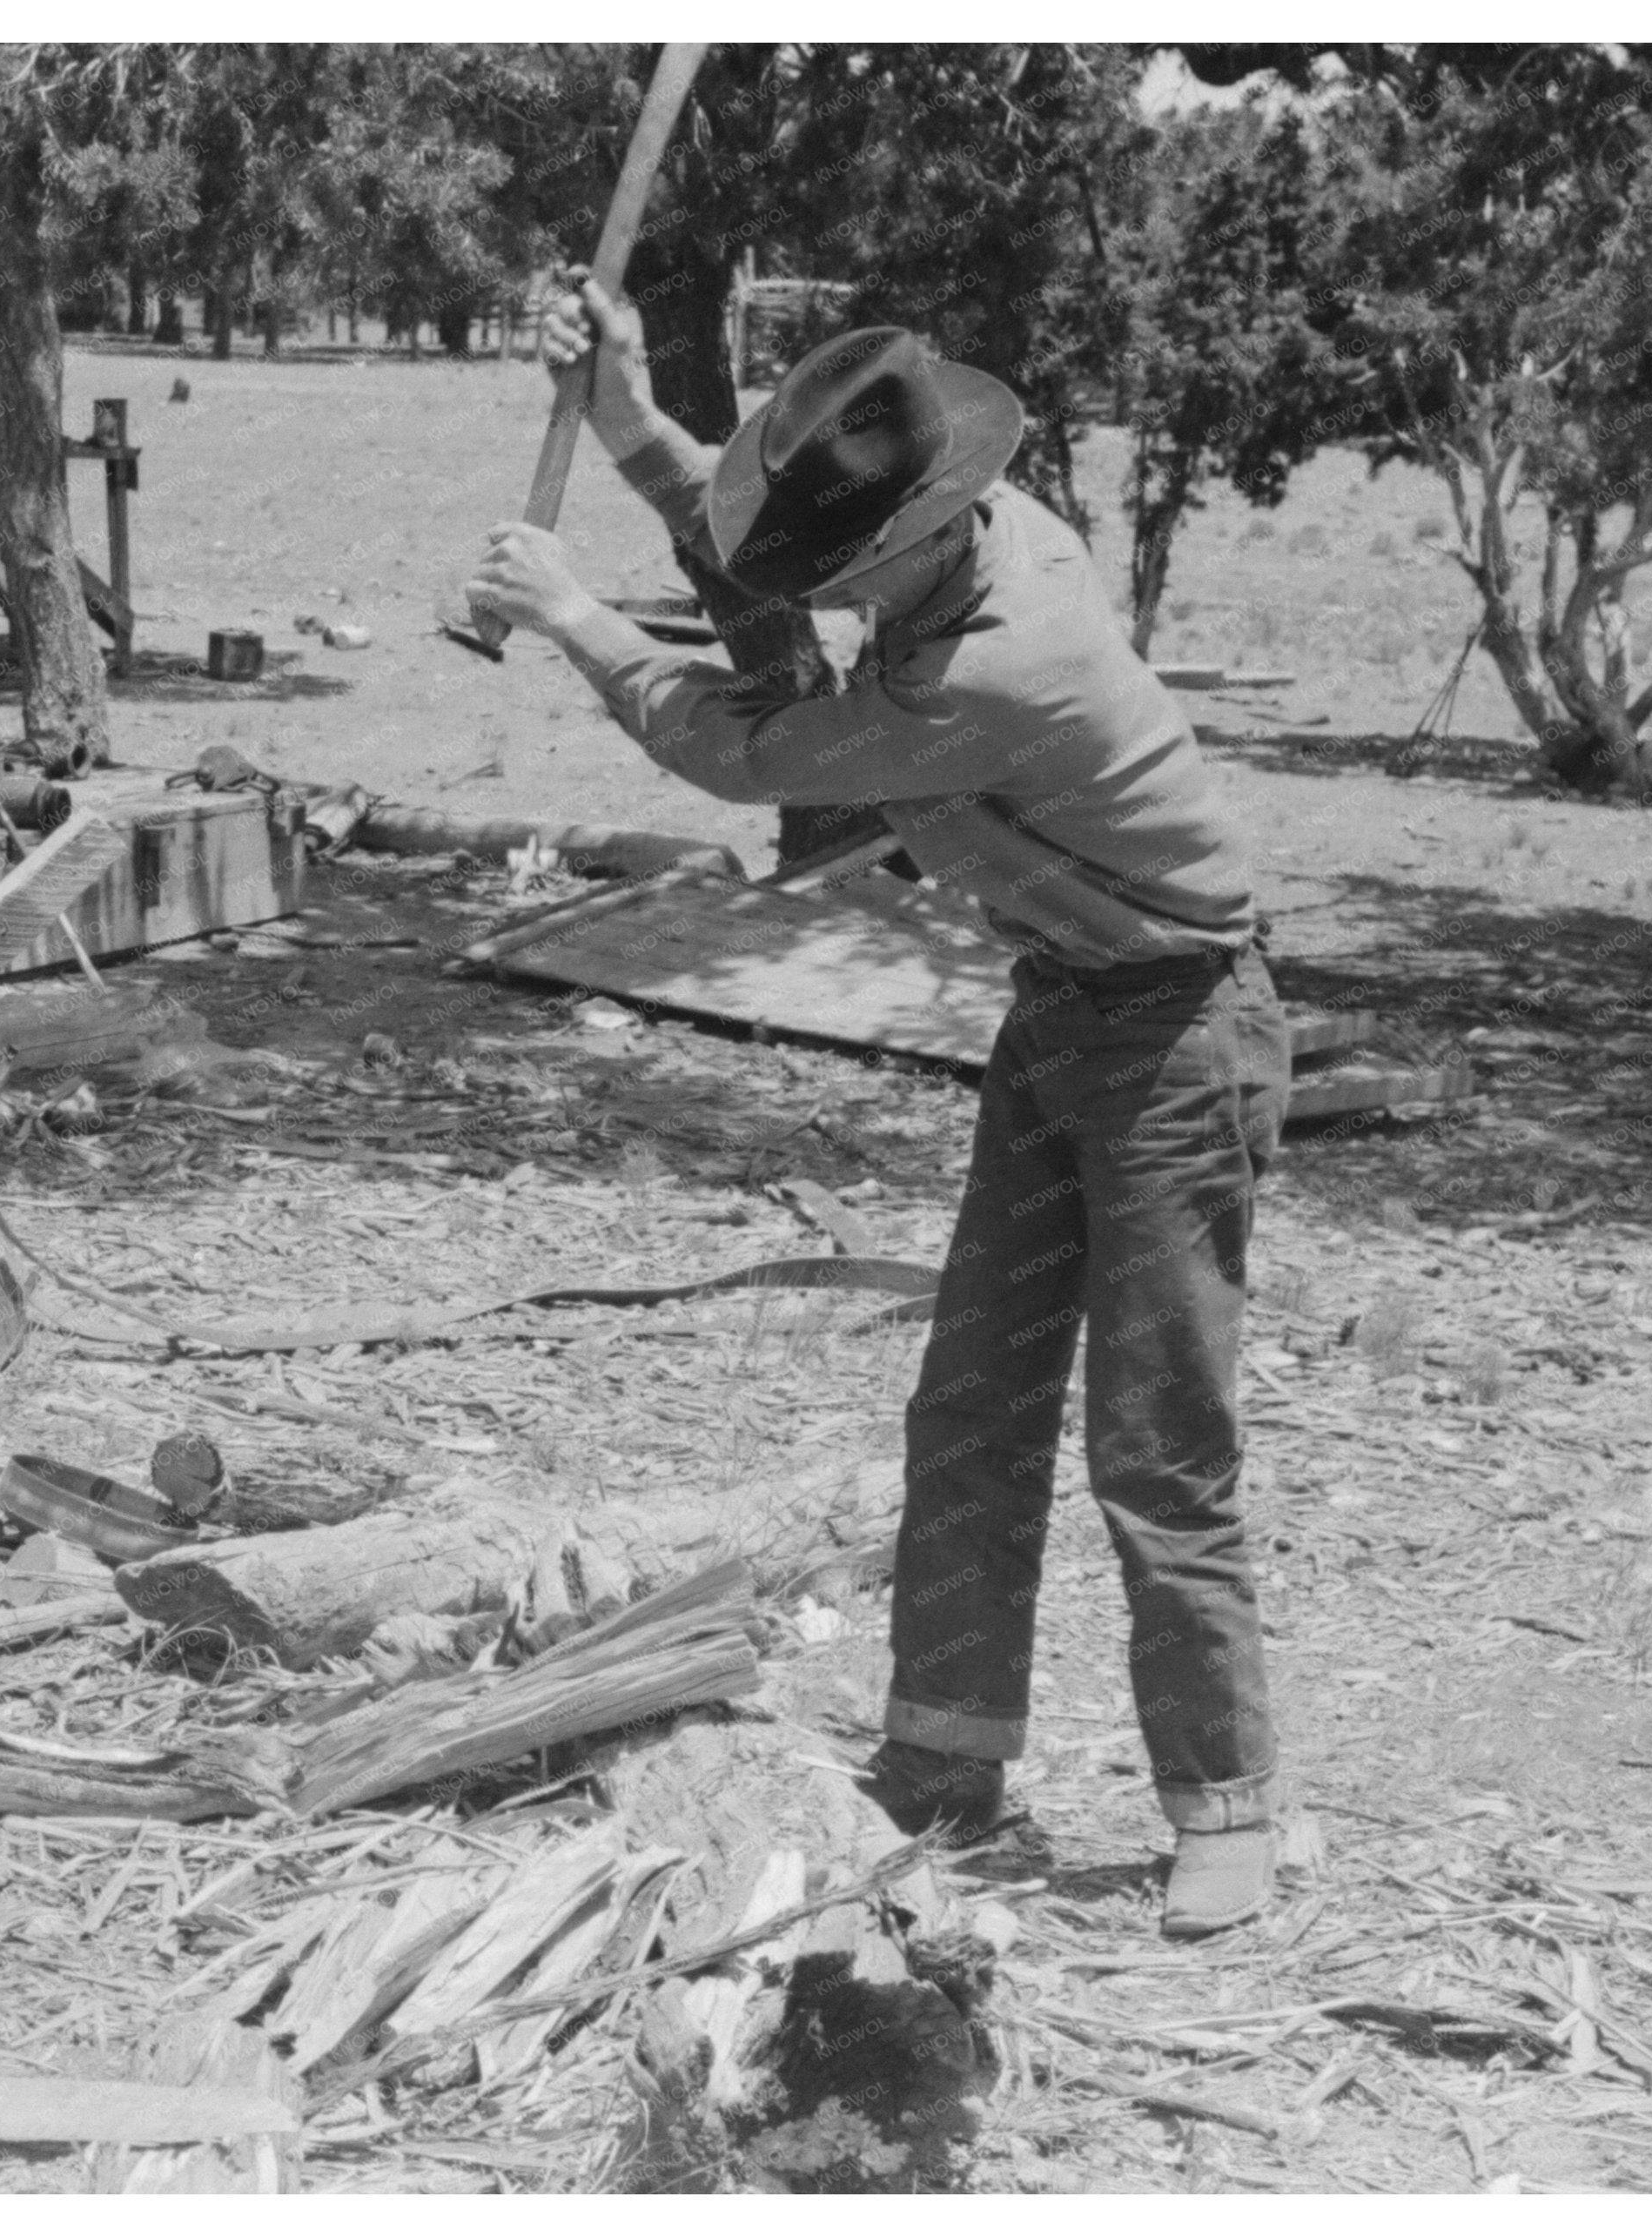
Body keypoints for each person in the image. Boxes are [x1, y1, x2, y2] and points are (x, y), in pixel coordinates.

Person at [464, 271, 1293, 1938]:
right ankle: (941, 1756)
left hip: (1181, 1036)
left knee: (1155, 1440)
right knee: (970, 1399)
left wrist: (575, 617)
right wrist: (627, 403)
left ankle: (1228, 1808)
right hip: (1062, 1008)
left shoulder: (1010, 660)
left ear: (930, 536)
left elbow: (743, 752)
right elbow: (754, 528)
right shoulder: (949, 532)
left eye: (842, 576)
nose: (817, 591)